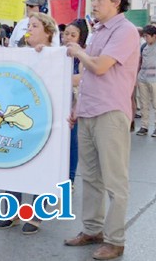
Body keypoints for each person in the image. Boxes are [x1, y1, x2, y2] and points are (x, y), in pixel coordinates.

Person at [64, 0, 140, 260]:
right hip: (88, 111)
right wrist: (77, 106)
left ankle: (115, 239)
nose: (93, 4)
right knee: (91, 178)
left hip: (110, 112)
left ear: (116, 1)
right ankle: (93, 230)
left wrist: (78, 51)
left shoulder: (126, 31)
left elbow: (100, 66)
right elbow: (87, 77)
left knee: (115, 181)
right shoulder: (97, 32)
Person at [0, 12, 57, 235]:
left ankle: (36, 215)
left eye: (35, 25)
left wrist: (45, 56)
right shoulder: (21, 54)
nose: (29, 29)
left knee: (40, 166)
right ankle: (11, 212)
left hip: (43, 118)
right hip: (17, 115)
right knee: (14, 163)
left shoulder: (57, 55)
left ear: (48, 32)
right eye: (28, 25)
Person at [62, 19, 89, 187]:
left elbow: (83, 78)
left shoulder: (83, 54)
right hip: (57, 101)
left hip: (75, 103)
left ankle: (70, 178)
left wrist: (61, 79)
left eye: (73, 35)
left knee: (72, 142)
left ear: (81, 37)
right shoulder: (57, 52)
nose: (68, 38)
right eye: (66, 34)